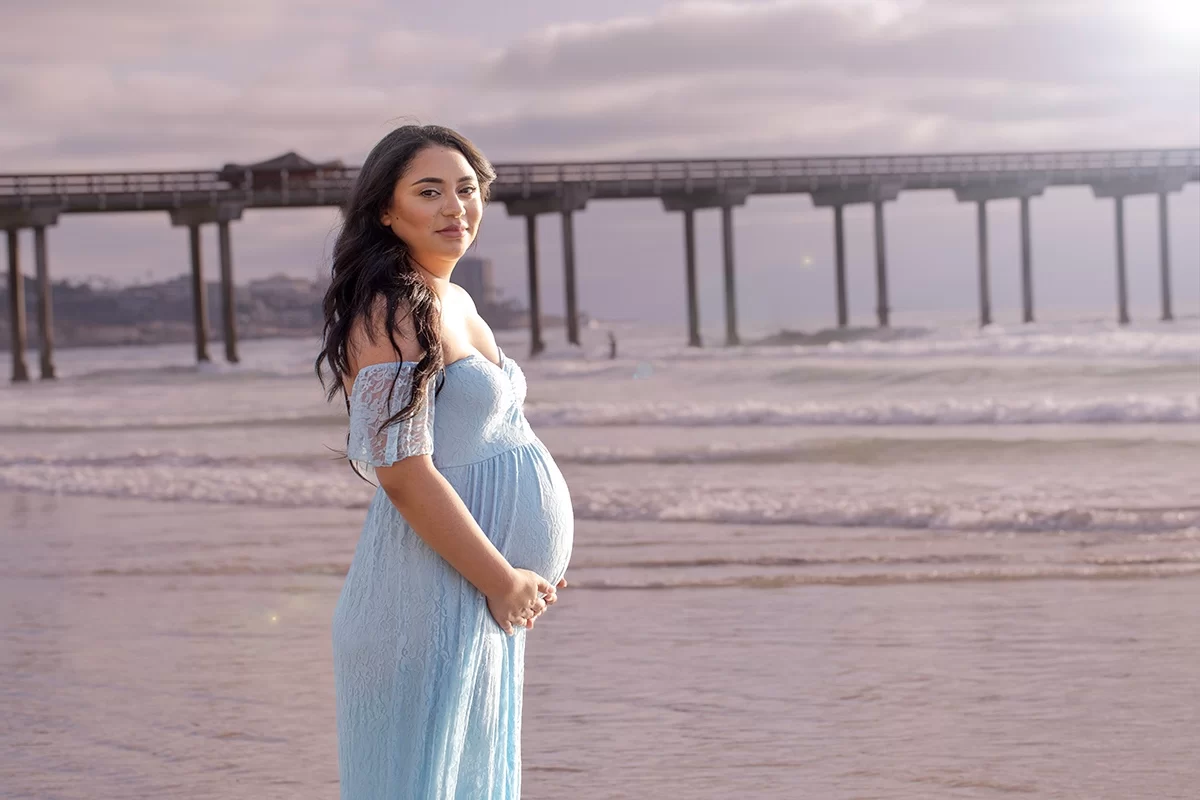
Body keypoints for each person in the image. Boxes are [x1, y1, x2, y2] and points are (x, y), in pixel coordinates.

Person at [315, 124, 574, 799]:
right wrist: (501, 580)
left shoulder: (449, 297)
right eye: (429, 191)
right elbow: (402, 473)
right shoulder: (393, 307)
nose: (455, 207)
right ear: (385, 209)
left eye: (465, 189)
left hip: (471, 595)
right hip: (427, 600)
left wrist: (513, 583)